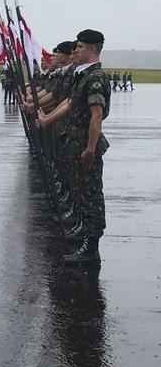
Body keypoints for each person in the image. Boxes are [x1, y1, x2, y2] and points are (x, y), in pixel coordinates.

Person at [39, 30, 110, 265]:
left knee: (90, 195)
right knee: (79, 190)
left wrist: (90, 148)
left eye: (79, 47)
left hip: (85, 145)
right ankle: (83, 232)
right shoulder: (82, 76)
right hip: (74, 141)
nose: (75, 51)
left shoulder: (95, 77)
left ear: (91, 49)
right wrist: (46, 119)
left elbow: (96, 115)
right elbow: (69, 103)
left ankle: (92, 247)